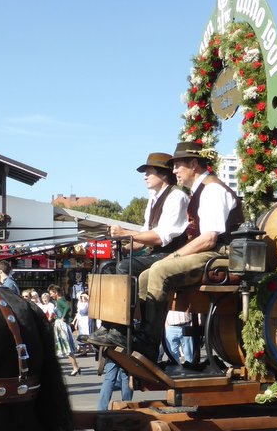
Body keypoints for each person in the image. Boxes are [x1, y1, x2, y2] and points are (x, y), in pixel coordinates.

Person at [89, 141, 242, 359]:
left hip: (221, 254)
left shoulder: (212, 190)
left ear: (194, 164)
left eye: (178, 165)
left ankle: (149, 342)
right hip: (208, 251)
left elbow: (209, 239)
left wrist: (175, 255)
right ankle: (129, 332)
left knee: (159, 269)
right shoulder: (198, 191)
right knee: (143, 276)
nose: (175, 171)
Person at [108, 152, 189, 278]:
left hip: (172, 254)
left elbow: (159, 238)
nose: (145, 177)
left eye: (148, 173)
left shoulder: (176, 197)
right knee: (107, 266)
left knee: (124, 267)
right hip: (155, 254)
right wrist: (125, 248)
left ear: (163, 174)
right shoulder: (153, 199)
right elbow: (143, 239)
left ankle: (137, 298)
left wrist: (124, 233)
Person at [48, 284, 81, 376]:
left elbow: (67, 307)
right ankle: (75, 367)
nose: (50, 295)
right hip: (61, 323)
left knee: (67, 348)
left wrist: (62, 317)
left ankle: (75, 367)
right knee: (66, 347)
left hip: (61, 325)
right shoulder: (60, 300)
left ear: (56, 292)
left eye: (51, 293)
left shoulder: (59, 301)